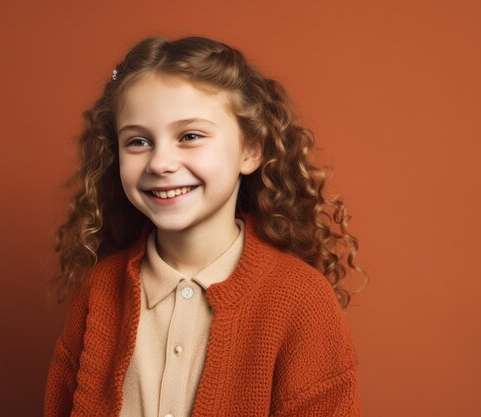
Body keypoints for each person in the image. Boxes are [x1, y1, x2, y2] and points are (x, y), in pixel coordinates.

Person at [43, 35, 368, 417]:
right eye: (138, 142)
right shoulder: (97, 291)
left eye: (190, 136)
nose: (160, 162)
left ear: (250, 150)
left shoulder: (301, 300)